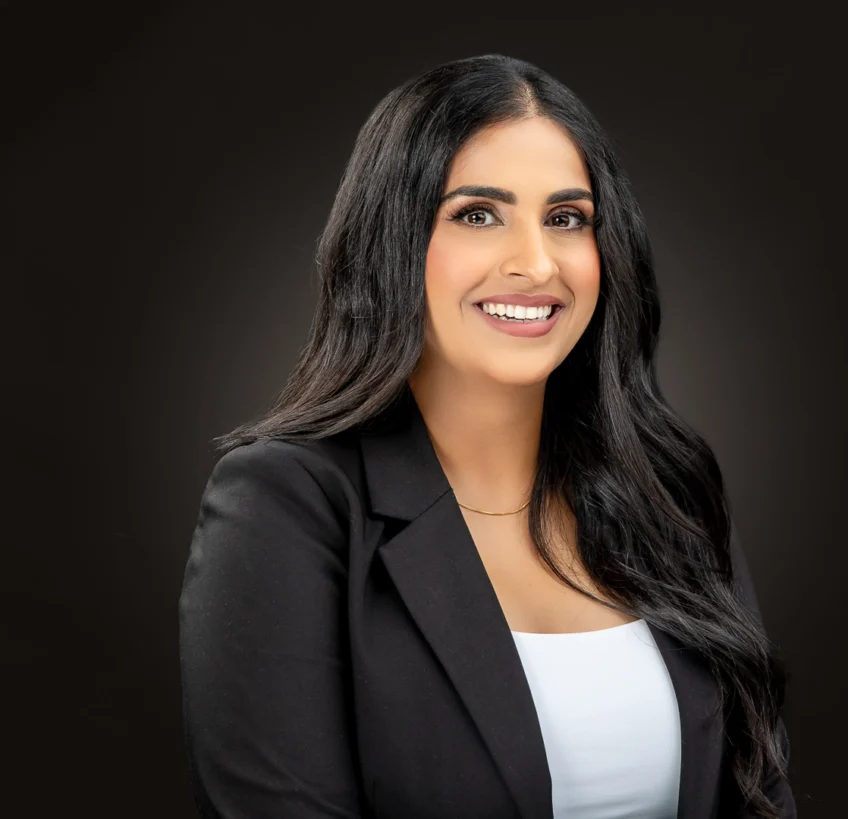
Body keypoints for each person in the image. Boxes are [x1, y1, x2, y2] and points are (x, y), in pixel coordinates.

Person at [178, 53, 797, 819]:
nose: (535, 264)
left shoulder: (671, 495)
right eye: (478, 214)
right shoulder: (286, 508)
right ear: (394, 239)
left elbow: (759, 795)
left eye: (566, 219)